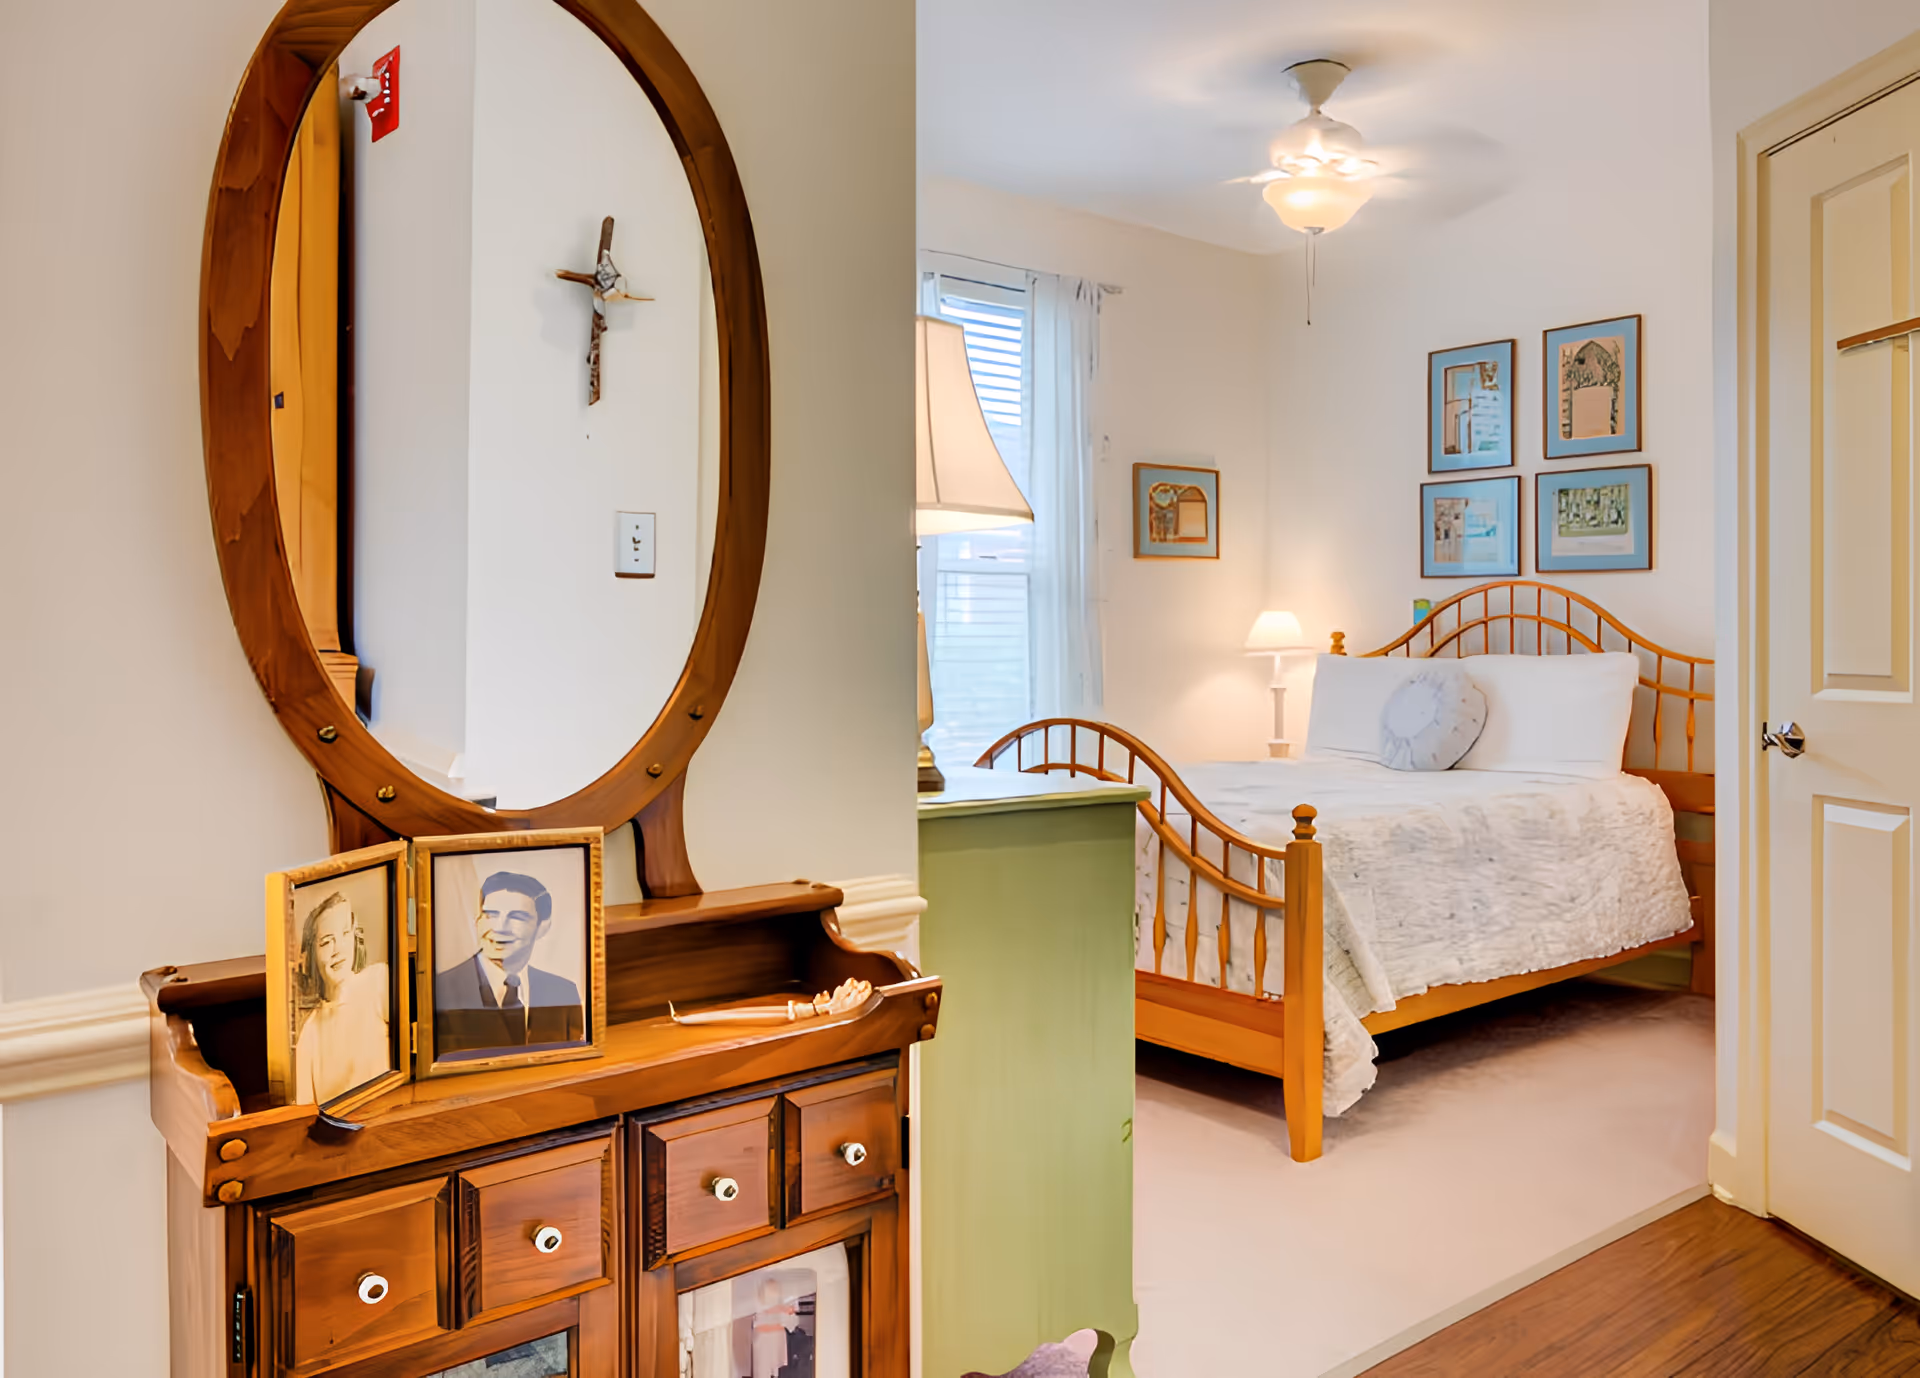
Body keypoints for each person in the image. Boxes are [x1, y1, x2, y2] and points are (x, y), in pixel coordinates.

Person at [434, 869, 585, 1057]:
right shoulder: (440, 990)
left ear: (542, 928)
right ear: (477, 922)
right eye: (491, 915)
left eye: (516, 917)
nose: (500, 928)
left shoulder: (563, 991)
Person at [293, 891, 391, 1104]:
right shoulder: (309, 1033)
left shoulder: (379, 981)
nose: (338, 949)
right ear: (312, 953)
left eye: (345, 934)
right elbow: (304, 1115)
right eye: (327, 942)